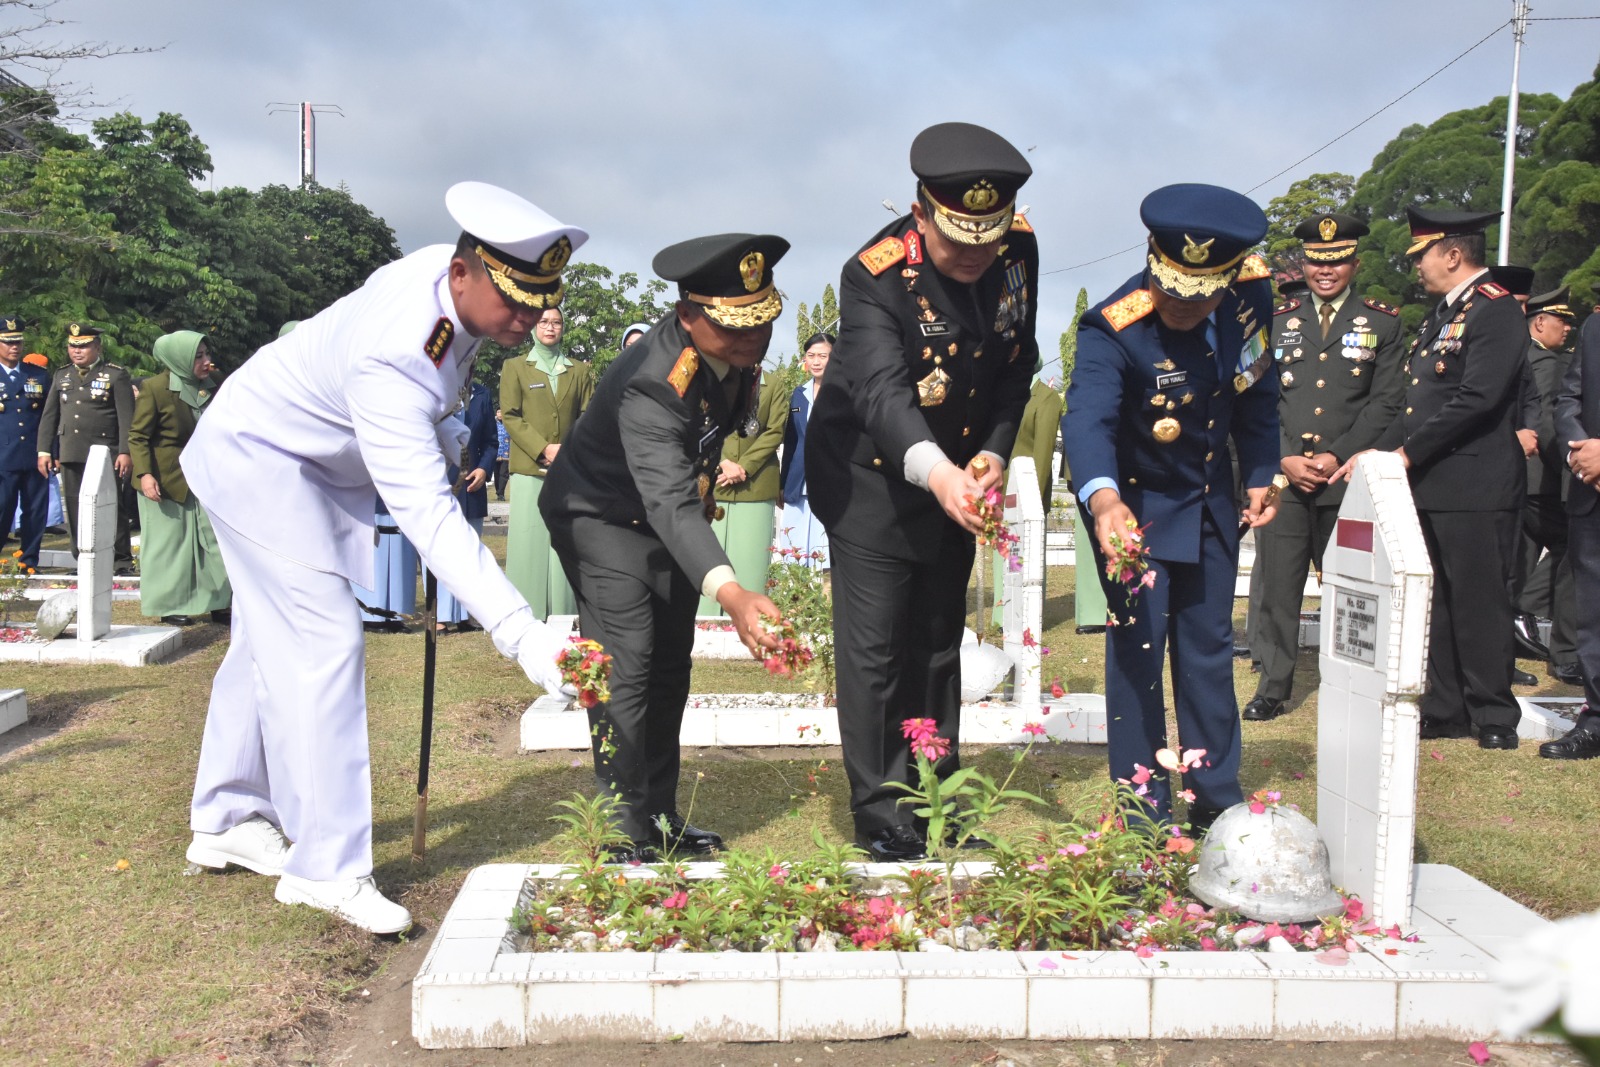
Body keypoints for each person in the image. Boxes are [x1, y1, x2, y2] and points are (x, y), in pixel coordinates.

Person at [180, 182, 581, 933]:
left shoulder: (443, 278)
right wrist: (522, 634)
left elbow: (436, 390)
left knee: (264, 646)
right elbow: (427, 512)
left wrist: (450, 433)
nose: (528, 321)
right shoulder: (398, 353)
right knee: (324, 643)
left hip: (294, 456)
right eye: (517, 303)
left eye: (539, 302)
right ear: (465, 273)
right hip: (260, 460)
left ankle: (227, 813)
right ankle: (326, 868)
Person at [806, 122, 1038, 861]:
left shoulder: (1017, 251)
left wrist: (994, 451)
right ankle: (881, 808)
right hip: (869, 477)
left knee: (937, 642)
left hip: (957, 478)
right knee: (876, 651)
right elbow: (881, 393)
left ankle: (937, 789)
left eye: (987, 240)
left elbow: (1013, 361)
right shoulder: (873, 274)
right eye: (957, 241)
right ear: (920, 212)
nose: (974, 257)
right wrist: (939, 471)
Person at [540, 233, 786, 862]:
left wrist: (700, 483)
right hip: (598, 517)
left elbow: (692, 459)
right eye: (735, 328)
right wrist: (730, 591)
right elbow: (666, 500)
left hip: (659, 515)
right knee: (627, 662)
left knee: (671, 665)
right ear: (687, 315)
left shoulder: (729, 354)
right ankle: (621, 821)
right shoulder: (654, 379)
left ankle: (659, 813)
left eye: (760, 324)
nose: (752, 340)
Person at [1061, 183, 1279, 831]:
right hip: (1133, 511)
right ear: (1153, 262)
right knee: (1139, 651)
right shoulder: (1113, 324)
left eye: (1201, 294)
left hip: (1210, 502)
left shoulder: (1249, 299)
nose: (1184, 307)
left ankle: (1215, 794)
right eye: (1173, 290)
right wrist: (1103, 501)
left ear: (1229, 279)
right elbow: (1086, 420)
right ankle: (1144, 803)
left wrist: (1263, 470)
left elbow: (1257, 392)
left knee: (1209, 647)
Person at [1337, 207, 1525, 749]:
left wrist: (1406, 455)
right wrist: (1372, 452)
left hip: (1476, 484)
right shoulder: (1441, 314)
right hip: (1430, 484)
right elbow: (1417, 405)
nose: (1414, 264)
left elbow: (1477, 399)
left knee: (1480, 600)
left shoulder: (1494, 310)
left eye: (1420, 253)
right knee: (1437, 599)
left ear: (1452, 254)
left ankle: (1492, 714)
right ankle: (1446, 708)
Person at [1242, 214, 1404, 722]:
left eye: (1335, 262)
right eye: (1315, 261)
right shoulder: (1274, 320)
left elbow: (1387, 401)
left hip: (1347, 478)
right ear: (1304, 263)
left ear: (1354, 264)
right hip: (1284, 479)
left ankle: (1353, 683)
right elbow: (1255, 394)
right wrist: (1284, 455)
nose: (1324, 271)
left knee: (1352, 588)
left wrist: (1338, 454)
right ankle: (1273, 685)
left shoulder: (1383, 322)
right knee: (1277, 587)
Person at [127, 331, 231, 626]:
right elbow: (138, 436)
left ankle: (221, 602)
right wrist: (145, 474)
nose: (206, 361)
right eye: (198, 357)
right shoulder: (156, 388)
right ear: (180, 359)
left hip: (208, 475)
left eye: (207, 354)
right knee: (169, 545)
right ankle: (171, 604)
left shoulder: (215, 383)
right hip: (167, 478)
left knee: (214, 541)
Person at [501, 305, 594, 619]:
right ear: (532, 326)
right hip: (529, 470)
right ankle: (524, 617)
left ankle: (564, 615)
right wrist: (543, 448)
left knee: (564, 543)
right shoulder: (514, 367)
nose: (550, 327)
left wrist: (565, 451)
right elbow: (511, 417)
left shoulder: (580, 370)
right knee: (529, 543)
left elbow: (588, 418)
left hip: (568, 471)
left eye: (556, 322)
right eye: (544, 321)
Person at [1515, 287, 1580, 685]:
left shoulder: (1522, 355)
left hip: (1520, 479)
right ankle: (1565, 650)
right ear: (1540, 322)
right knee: (1572, 550)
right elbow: (1543, 421)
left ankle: (1517, 615)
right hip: (1540, 478)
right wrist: (1568, 469)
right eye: (1563, 321)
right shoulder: (1546, 361)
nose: (1569, 329)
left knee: (1519, 559)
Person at [36, 323, 136, 572]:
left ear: (97, 347)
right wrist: (45, 451)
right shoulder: (62, 375)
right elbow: (50, 416)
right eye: (73, 346)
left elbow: (126, 417)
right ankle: (81, 558)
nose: (77, 351)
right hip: (71, 450)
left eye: (83, 346)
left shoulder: (115, 375)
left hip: (105, 453)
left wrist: (125, 451)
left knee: (112, 505)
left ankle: (121, 559)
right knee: (75, 506)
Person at [1547, 307, 1600, 758]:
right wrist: (1580, 450)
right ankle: (1597, 717)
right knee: (1594, 617)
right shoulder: (1596, 323)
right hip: (1592, 490)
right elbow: (1569, 398)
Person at [698, 367, 787, 615]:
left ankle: (749, 619)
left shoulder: (774, 384)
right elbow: (699, 422)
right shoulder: (710, 378)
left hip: (756, 484)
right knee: (708, 555)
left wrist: (744, 467)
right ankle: (704, 620)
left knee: (749, 559)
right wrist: (722, 461)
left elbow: (775, 431)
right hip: (714, 482)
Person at [438, 377, 497, 631]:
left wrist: (484, 469)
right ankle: (440, 615)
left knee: (470, 548)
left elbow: (491, 442)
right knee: (441, 548)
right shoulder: (435, 390)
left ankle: (465, 615)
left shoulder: (482, 395)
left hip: (473, 484)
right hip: (441, 482)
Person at [777, 332, 833, 567]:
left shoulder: (845, 393)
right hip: (798, 484)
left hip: (831, 484)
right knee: (793, 552)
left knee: (826, 554)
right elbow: (790, 442)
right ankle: (796, 602)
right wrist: (782, 484)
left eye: (823, 355)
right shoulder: (799, 394)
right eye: (811, 356)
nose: (816, 361)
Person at [0, 316, 50, 568]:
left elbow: (50, 416)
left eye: (18, 341)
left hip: (34, 455)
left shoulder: (38, 375)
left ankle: (28, 560)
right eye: (8, 342)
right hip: (2, 457)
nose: (14, 347)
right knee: (2, 510)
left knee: (35, 512)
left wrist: (51, 450)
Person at [493, 408, 510, 501]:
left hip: (506, 453)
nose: (500, 414)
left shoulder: (508, 424)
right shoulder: (492, 424)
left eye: (502, 412)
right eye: (498, 412)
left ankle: (501, 493)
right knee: (496, 474)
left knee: (504, 474)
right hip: (495, 453)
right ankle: (498, 492)